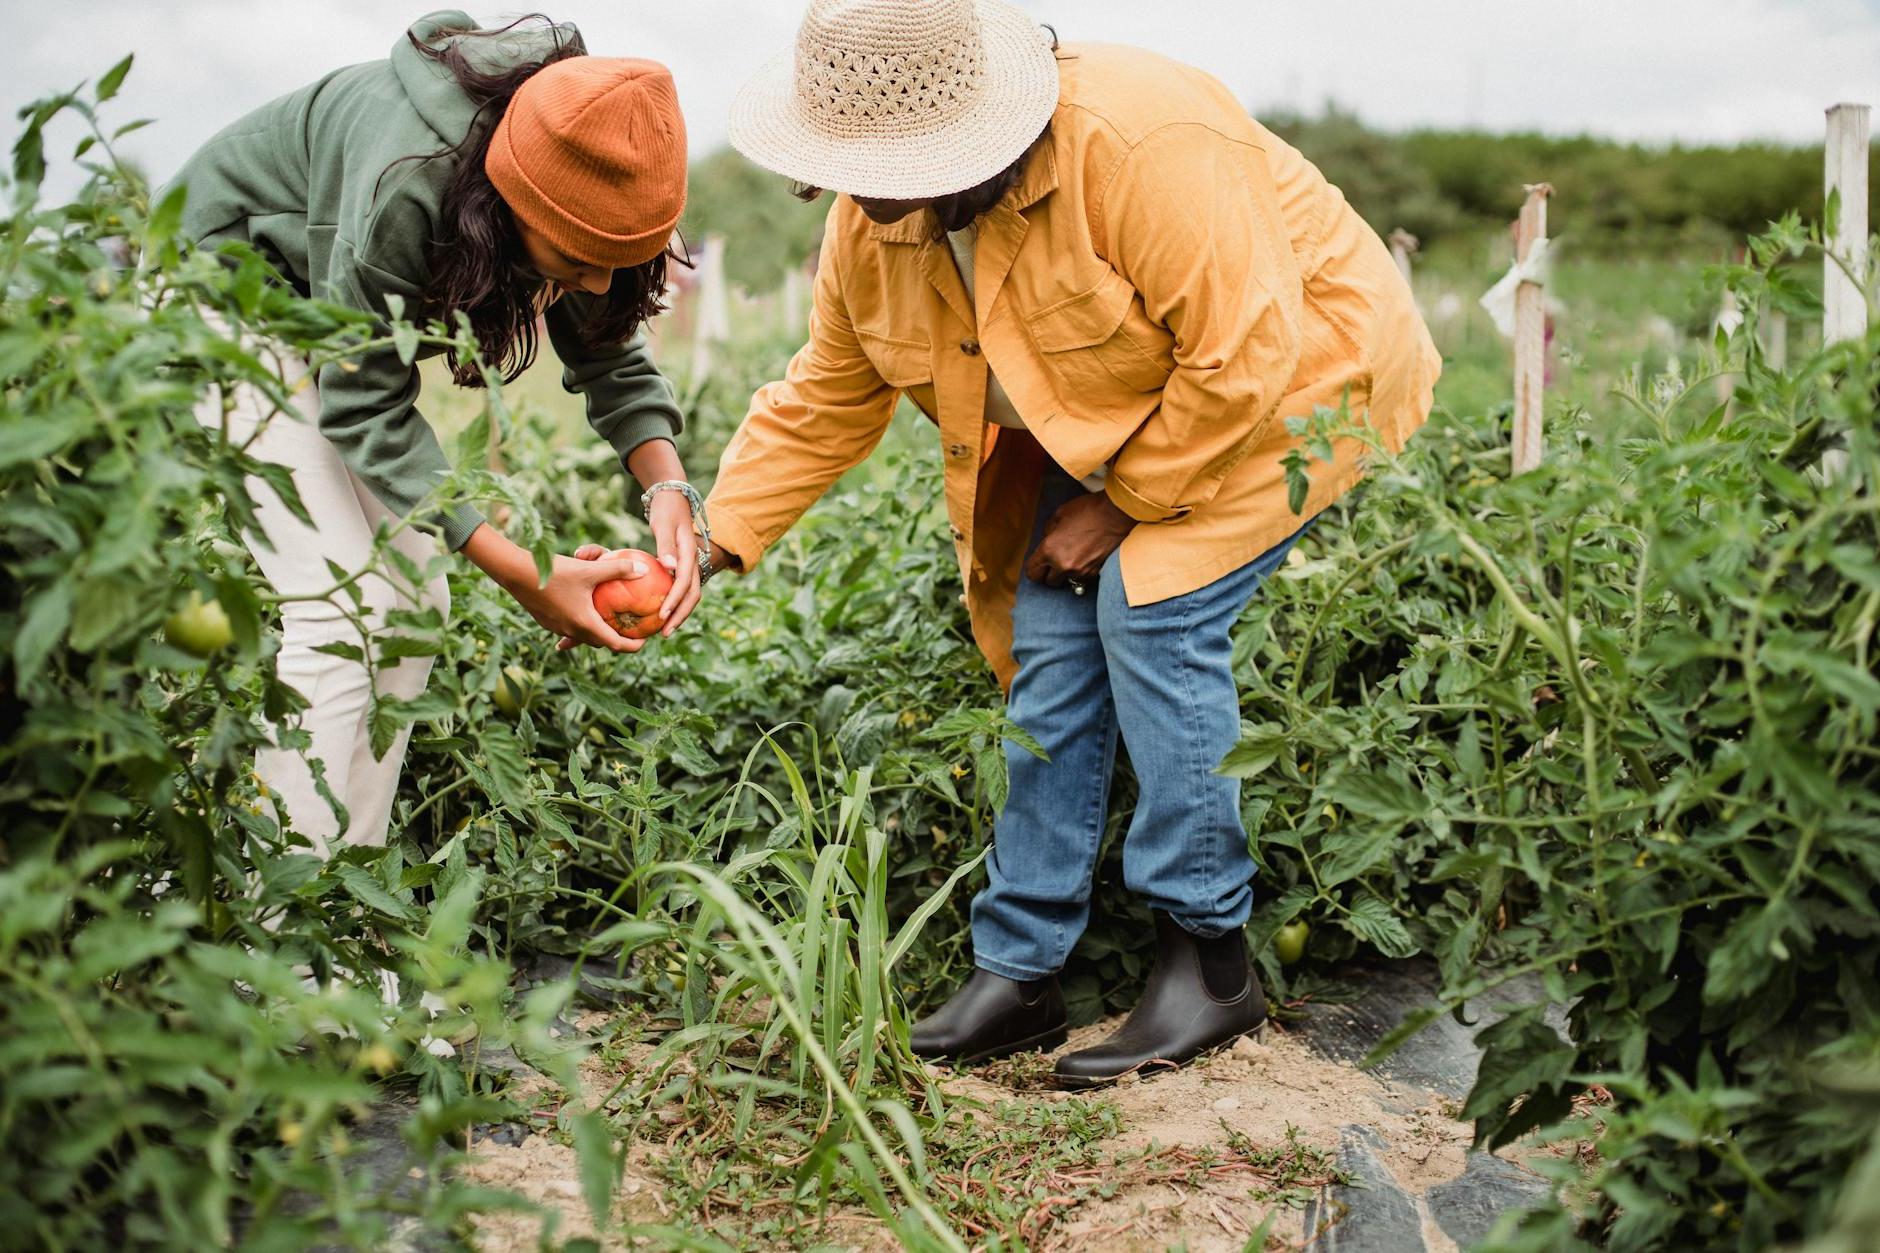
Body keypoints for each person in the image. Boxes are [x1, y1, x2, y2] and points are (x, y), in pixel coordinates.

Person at [696, 0, 1441, 1086]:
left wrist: (1120, 503)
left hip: (1296, 382)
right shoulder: (875, 219)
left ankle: (1210, 958)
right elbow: (826, 393)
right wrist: (710, 543)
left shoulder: (1140, 144)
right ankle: (1019, 968)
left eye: (882, 167)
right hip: (1117, 407)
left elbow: (1243, 356)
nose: (858, 196)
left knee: (1151, 603)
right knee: (1049, 638)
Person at [165, 11, 705, 857]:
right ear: (508, 202)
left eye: (617, 258)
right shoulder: (407, 181)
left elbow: (608, 352)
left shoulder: (593, 152)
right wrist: (531, 575)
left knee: (417, 599)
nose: (596, 280)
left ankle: (347, 917)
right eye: (575, 256)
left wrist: (667, 487)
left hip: (313, 315)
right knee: (344, 604)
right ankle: (282, 950)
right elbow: (365, 406)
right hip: (219, 293)